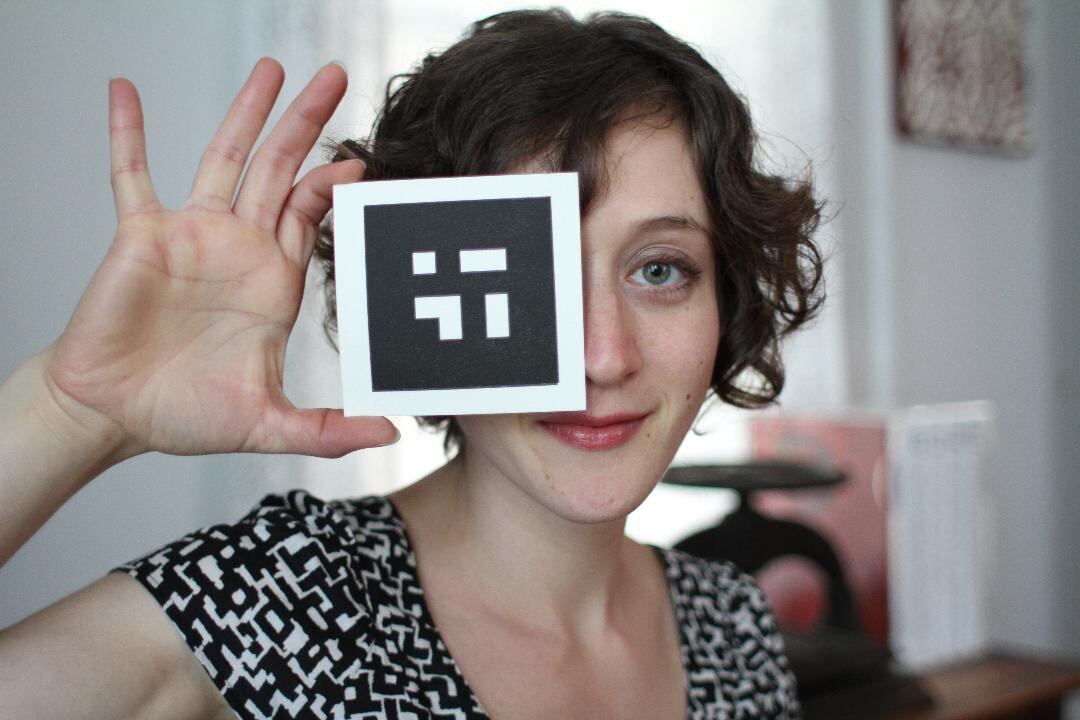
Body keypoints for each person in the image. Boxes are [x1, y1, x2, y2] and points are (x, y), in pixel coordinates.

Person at [0, 9, 823, 719]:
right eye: (528, 276)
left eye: (660, 270)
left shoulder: (732, 625)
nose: (603, 356)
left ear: (727, 301)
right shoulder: (285, 596)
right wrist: (73, 416)